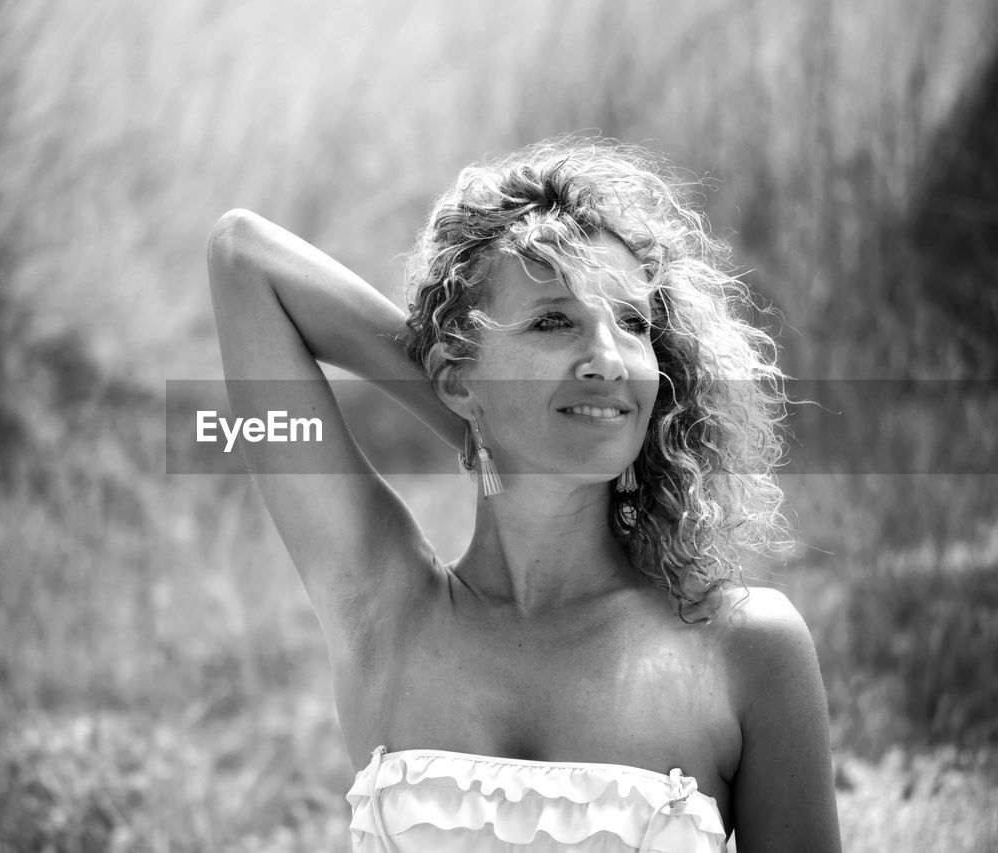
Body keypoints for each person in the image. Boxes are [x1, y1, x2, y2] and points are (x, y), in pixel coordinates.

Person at [205, 137, 842, 852]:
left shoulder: (742, 647)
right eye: (553, 320)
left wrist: (506, 426)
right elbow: (244, 259)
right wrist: (484, 427)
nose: (608, 356)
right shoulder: (386, 610)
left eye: (632, 323)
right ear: (455, 375)